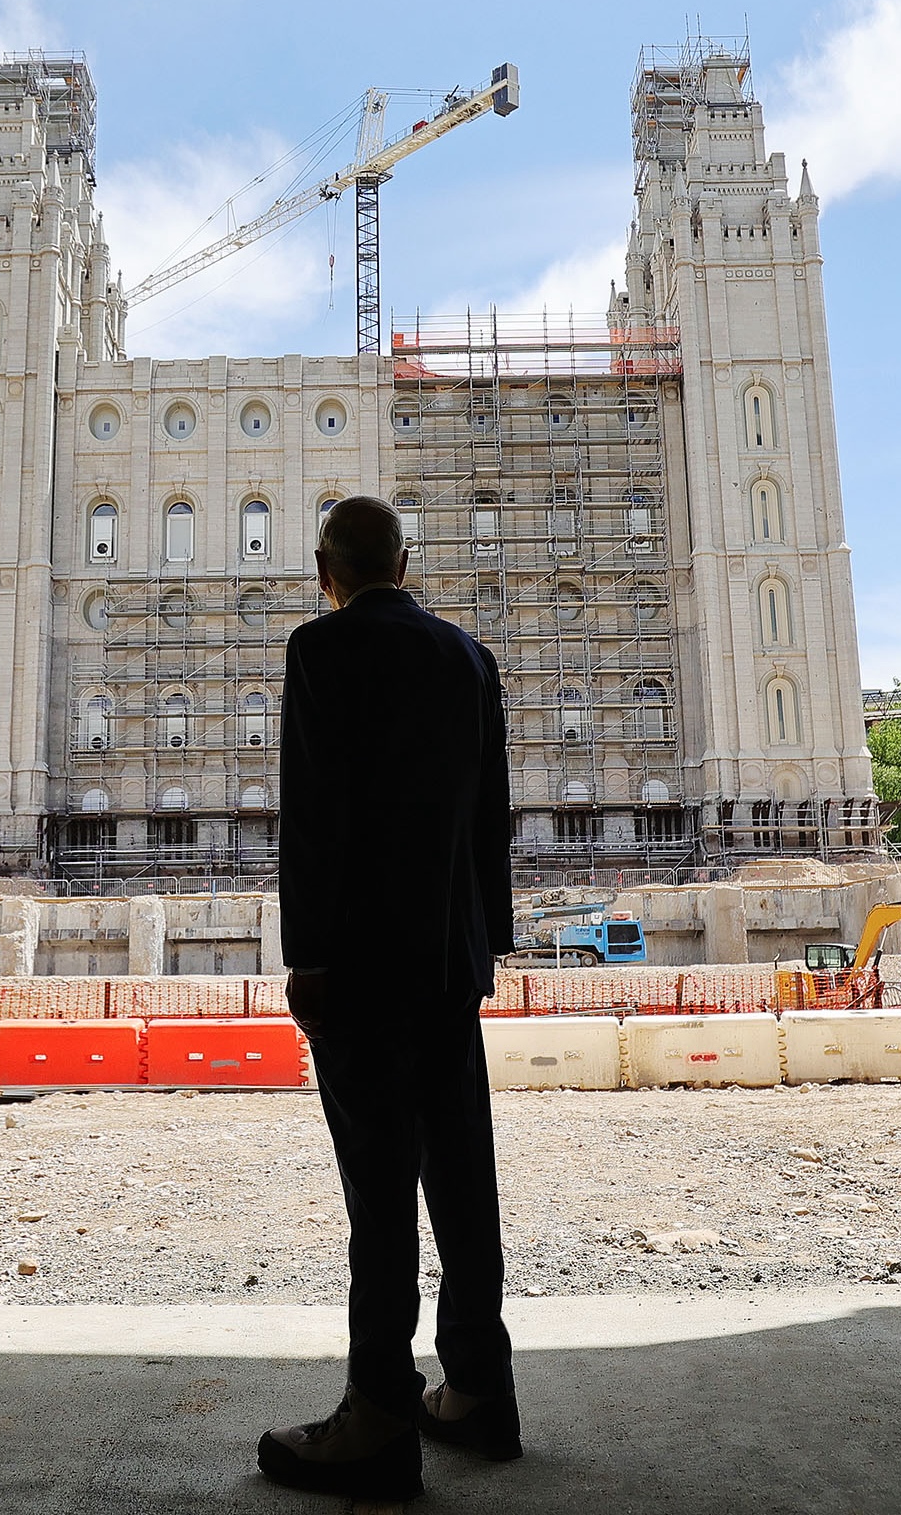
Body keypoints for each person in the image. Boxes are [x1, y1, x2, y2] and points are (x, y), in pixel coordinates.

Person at [257, 495, 520, 1503]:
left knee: (380, 1189)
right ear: (404, 563)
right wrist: (483, 941)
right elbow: (490, 818)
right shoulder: (469, 660)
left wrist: (310, 953)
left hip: (361, 966)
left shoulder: (320, 652)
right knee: (461, 1176)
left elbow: (315, 811)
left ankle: (377, 1412)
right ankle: (479, 1388)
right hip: (449, 960)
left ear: (326, 568)